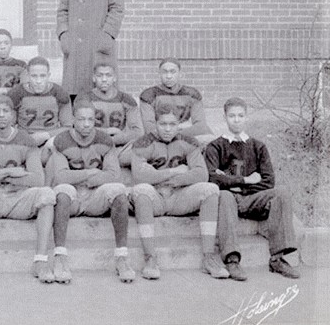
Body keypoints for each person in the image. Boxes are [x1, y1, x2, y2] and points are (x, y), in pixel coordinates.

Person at [129, 103, 229, 280]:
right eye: (163, 124)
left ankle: (208, 256)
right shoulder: (143, 142)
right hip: (156, 198)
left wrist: (170, 178)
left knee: (211, 189)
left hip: (179, 197)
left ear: (179, 124)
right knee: (141, 189)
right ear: (155, 124)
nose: (168, 129)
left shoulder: (188, 142)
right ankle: (150, 258)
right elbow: (139, 176)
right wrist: (173, 172)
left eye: (172, 124)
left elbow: (201, 173)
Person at [0, 95, 56, 284]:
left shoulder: (25, 139)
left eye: (5, 111)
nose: (1, 115)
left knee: (46, 194)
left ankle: (40, 260)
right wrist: (10, 172)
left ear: (13, 115)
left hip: (17, 198)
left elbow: (38, 178)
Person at [205, 97, 300, 280]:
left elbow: (268, 180)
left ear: (246, 117)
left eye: (241, 115)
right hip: (229, 200)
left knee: (281, 193)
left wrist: (234, 183)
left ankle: (277, 259)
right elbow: (211, 177)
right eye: (232, 116)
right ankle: (232, 260)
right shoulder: (216, 146)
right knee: (224, 195)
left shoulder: (258, 146)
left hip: (253, 199)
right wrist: (246, 180)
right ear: (225, 117)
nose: (237, 119)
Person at [47, 98, 135, 284]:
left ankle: (122, 257)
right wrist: (90, 173)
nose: (86, 124)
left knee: (118, 191)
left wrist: (89, 179)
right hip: (73, 197)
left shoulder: (104, 139)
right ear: (73, 119)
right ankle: (60, 256)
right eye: (81, 119)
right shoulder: (62, 140)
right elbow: (60, 177)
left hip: (95, 195)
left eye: (90, 120)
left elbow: (114, 174)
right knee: (62, 191)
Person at [56, 0, 125, 98]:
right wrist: (64, 36)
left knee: (101, 89)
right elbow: (62, 11)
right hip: (74, 46)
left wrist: (107, 35)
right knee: (75, 92)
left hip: (98, 44)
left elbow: (117, 8)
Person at [139, 58, 213, 144]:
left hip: (181, 135)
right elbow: (149, 128)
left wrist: (172, 133)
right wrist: (180, 128)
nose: (169, 76)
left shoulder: (192, 94)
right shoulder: (149, 95)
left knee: (209, 141)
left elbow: (201, 126)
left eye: (172, 72)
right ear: (159, 74)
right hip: (158, 138)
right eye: (164, 72)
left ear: (180, 74)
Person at [86, 62, 143, 165]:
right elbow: (80, 128)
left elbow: (138, 132)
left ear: (114, 78)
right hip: (92, 146)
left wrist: (118, 138)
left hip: (119, 147)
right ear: (94, 78)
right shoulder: (85, 98)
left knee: (141, 151)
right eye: (100, 76)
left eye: (108, 75)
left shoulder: (126, 99)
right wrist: (107, 131)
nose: (104, 79)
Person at [8, 56, 72, 147]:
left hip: (51, 140)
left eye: (43, 76)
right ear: (28, 75)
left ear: (49, 75)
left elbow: (67, 127)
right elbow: (8, 126)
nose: (38, 81)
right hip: (24, 141)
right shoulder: (16, 93)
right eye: (34, 76)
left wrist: (46, 135)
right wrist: (24, 137)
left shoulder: (59, 93)